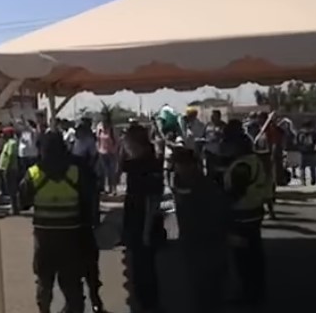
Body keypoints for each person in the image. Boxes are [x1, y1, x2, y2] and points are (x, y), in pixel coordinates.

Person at [20, 131, 90, 313]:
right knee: (72, 282)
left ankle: (44, 310)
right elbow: (87, 201)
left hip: (44, 238)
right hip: (71, 237)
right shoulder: (75, 173)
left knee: (44, 280)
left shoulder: (33, 174)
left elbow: (23, 202)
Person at [172, 145, 229, 313]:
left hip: (208, 241)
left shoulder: (204, 186)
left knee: (210, 287)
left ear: (191, 165)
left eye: (179, 164)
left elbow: (218, 213)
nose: (177, 168)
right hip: (192, 239)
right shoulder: (180, 182)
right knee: (199, 287)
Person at [118, 123, 165, 313]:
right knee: (142, 266)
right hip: (138, 220)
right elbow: (121, 164)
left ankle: (148, 305)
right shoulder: (142, 161)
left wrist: (146, 231)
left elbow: (152, 200)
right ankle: (146, 302)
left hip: (143, 222)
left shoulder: (144, 165)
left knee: (144, 267)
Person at [223, 120, 268, 308]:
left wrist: (222, 206)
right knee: (254, 254)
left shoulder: (241, 165)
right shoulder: (253, 160)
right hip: (254, 212)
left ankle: (248, 294)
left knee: (243, 258)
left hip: (241, 216)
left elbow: (236, 193)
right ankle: (255, 291)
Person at [0, 126, 21, 215]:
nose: (2, 135)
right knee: (10, 189)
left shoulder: (12, 143)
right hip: (7, 168)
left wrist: (7, 167)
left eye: (4, 133)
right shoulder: (7, 143)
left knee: (12, 189)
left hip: (10, 169)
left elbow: (10, 155)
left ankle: (15, 208)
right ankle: (13, 206)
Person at [97, 112, 119, 195]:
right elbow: (98, 139)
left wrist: (114, 150)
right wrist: (98, 149)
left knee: (112, 172)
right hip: (102, 152)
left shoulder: (112, 129)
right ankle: (104, 188)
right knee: (103, 171)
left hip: (112, 153)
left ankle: (113, 189)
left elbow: (117, 141)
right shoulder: (99, 127)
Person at [297, 120, 316, 186]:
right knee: (312, 167)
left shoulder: (300, 133)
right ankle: (313, 180)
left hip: (303, 152)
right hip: (311, 151)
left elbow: (297, 142)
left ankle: (303, 181)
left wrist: (299, 148)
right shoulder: (313, 133)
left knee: (302, 167)